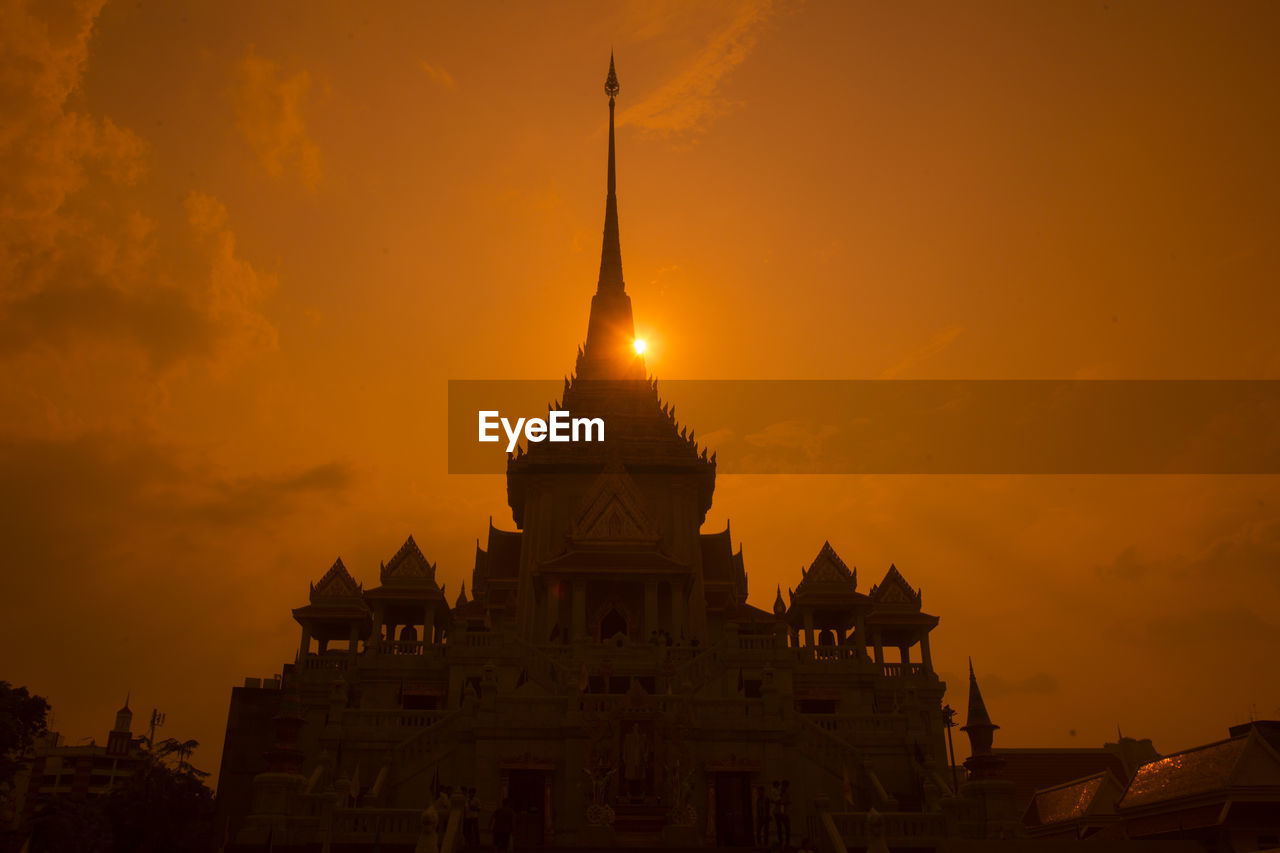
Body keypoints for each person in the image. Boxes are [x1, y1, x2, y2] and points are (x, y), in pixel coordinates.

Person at [776, 779, 792, 846]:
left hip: (785, 813)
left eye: (785, 786)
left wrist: (784, 802)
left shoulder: (788, 794)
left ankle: (787, 842)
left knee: (787, 828)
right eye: (783, 785)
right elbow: (776, 801)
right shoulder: (778, 793)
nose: (783, 787)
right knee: (779, 828)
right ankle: (780, 841)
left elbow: (789, 802)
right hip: (778, 813)